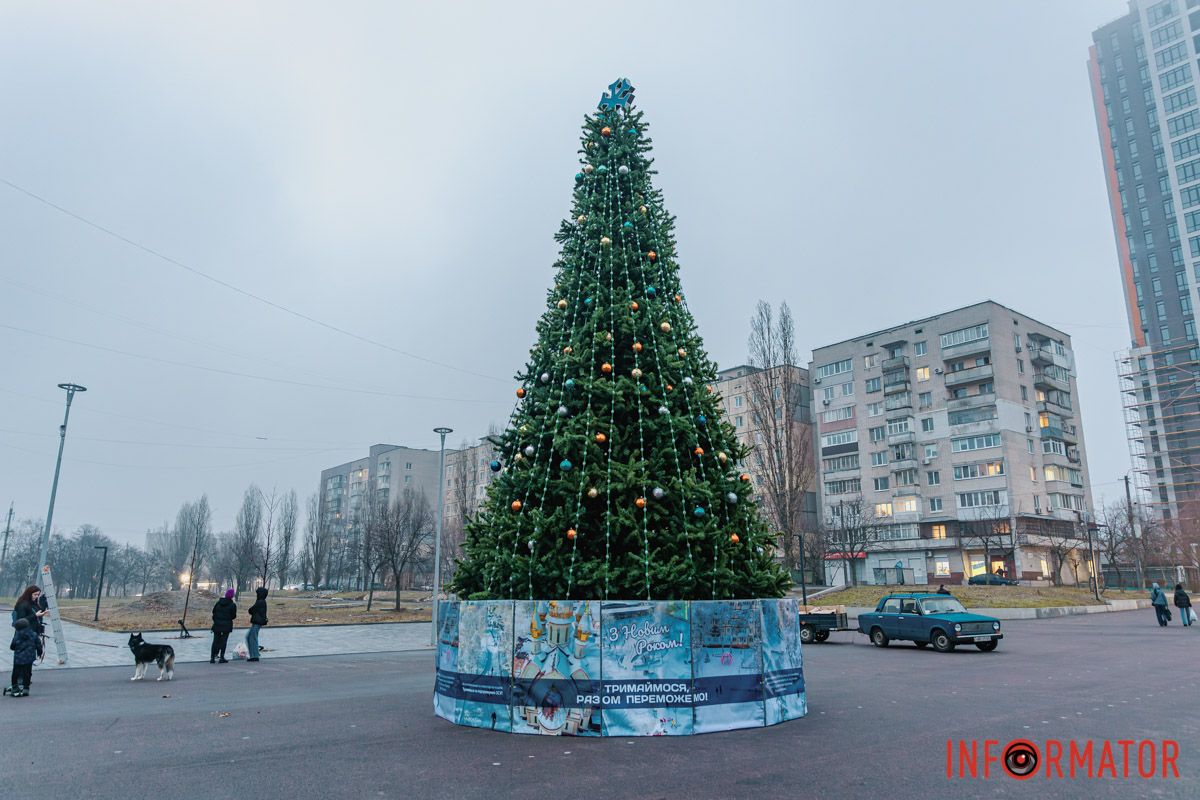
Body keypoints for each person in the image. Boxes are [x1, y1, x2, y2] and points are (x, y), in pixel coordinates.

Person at [8, 617, 38, 697]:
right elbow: (38, 644)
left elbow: (12, 646)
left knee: (16, 673)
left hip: (18, 658)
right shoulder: (33, 634)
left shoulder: (17, 636)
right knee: (27, 673)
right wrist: (39, 652)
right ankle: (26, 688)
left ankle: (15, 686)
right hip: (29, 657)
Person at [210, 589, 237, 663]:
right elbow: (233, 616)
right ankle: (222, 657)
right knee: (224, 641)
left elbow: (213, 612)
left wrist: (216, 620)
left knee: (215, 641)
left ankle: (212, 657)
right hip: (226, 625)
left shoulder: (218, 603)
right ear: (232, 596)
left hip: (217, 624)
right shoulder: (232, 605)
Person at [245, 586, 269, 662]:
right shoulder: (261, 601)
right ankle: (254, 655)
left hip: (257, 622)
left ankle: (254, 656)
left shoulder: (260, 602)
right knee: (249, 637)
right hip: (256, 622)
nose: (257, 594)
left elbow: (251, 610)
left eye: (258, 593)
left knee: (252, 638)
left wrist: (252, 610)